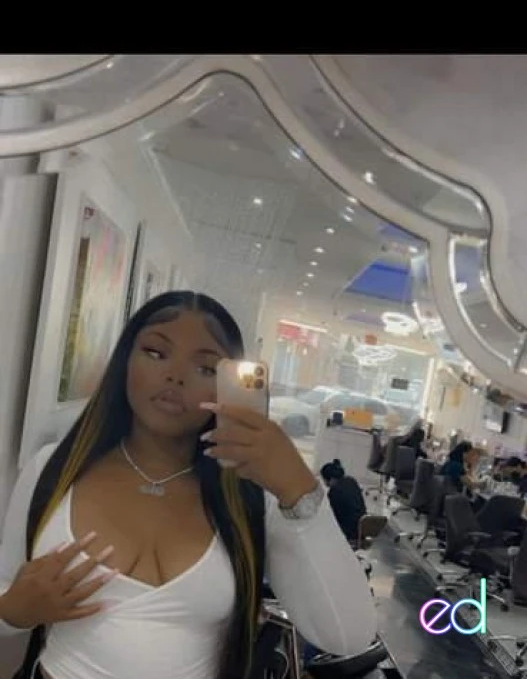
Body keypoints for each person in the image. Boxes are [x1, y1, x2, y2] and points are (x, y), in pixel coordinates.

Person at [0, 291, 376, 679]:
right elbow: (6, 589)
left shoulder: (250, 495)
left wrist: (299, 488)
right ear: (124, 361)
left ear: (228, 386)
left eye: (207, 368)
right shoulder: (55, 470)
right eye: (156, 352)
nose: (176, 376)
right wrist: (13, 610)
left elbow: (348, 635)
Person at [320, 460, 367, 545]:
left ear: (331, 479)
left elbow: (335, 517)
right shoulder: (351, 481)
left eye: (324, 480)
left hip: (350, 532)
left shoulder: (334, 492)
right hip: (363, 527)